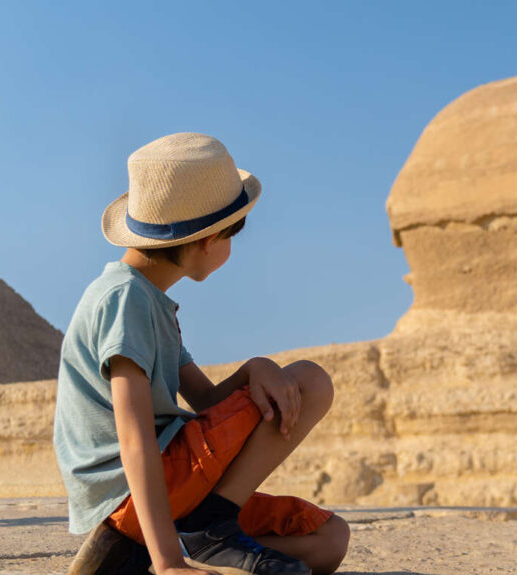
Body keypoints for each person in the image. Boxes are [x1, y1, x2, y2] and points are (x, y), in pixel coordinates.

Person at [53, 132, 349, 575]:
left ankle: (195, 536)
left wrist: (255, 368)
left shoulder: (148, 300)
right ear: (208, 240)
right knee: (309, 381)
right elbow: (134, 439)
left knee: (328, 541)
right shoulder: (125, 300)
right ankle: (197, 534)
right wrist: (168, 560)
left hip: (174, 490)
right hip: (134, 493)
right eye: (232, 236)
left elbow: (207, 403)